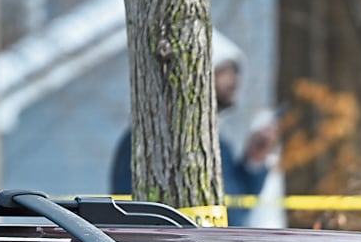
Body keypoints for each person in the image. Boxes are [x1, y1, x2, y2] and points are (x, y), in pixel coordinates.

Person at [110, 32, 276, 226]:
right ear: (196, 76)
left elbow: (237, 209)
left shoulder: (220, 144)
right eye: (223, 71)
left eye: (235, 71)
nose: (234, 79)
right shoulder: (144, 140)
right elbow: (129, 214)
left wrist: (253, 160)